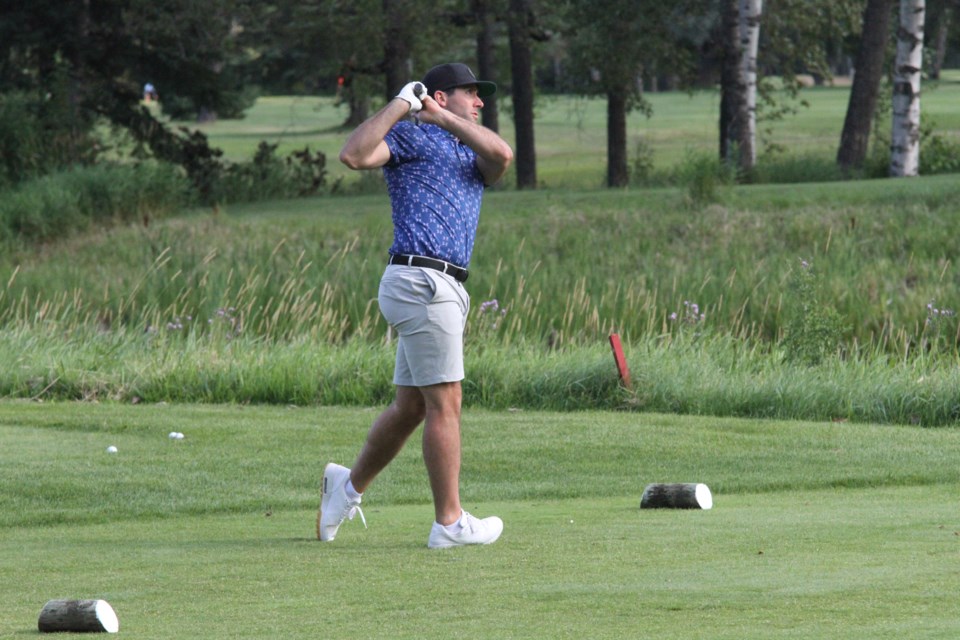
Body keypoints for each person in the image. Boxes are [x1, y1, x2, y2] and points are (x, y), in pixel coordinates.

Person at [319, 62, 513, 549]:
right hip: (421, 278)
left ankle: (345, 489)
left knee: (411, 407)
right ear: (442, 95)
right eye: (472, 93)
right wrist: (403, 104)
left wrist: (444, 119)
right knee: (446, 402)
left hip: (440, 286)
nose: (481, 101)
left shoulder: (471, 152)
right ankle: (449, 523)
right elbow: (353, 155)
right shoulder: (407, 140)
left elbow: (502, 154)